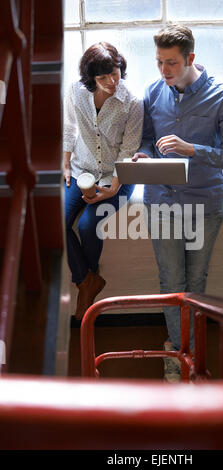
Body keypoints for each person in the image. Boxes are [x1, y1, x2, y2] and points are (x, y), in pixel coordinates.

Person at [133, 25, 223, 382]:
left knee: (195, 281)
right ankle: (177, 353)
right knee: (170, 281)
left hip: (204, 203)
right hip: (161, 201)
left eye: (171, 63)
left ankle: (192, 354)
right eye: (159, 62)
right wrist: (141, 154)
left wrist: (191, 149)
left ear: (190, 59)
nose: (164, 70)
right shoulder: (152, 92)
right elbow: (148, 140)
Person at [63, 42, 143, 320]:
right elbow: (70, 127)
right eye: (103, 77)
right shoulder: (75, 91)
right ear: (90, 79)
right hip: (81, 169)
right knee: (58, 222)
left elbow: (128, 149)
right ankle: (87, 281)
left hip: (117, 175)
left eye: (116, 73)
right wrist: (65, 165)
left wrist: (113, 189)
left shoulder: (132, 103)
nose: (111, 81)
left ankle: (87, 284)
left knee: (87, 225)